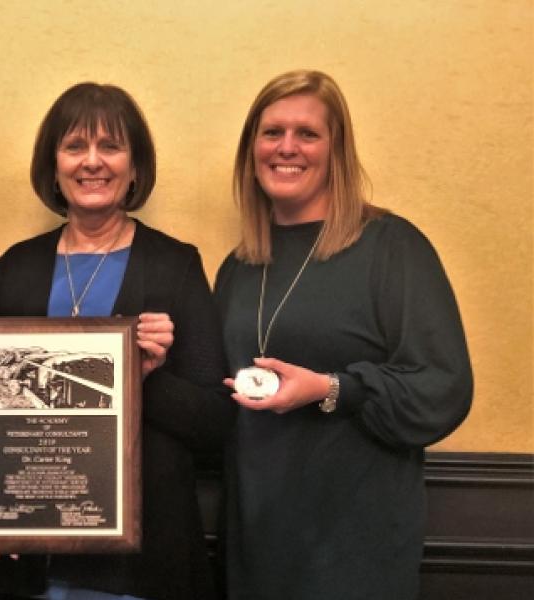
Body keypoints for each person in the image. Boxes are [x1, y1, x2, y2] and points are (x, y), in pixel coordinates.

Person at [0, 82, 234, 600]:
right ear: (54, 165)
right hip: (28, 561)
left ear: (135, 167)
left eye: (110, 146)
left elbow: (215, 423)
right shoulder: (15, 268)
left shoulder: (176, 266)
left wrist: (145, 378)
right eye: (74, 146)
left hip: (142, 562)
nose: (92, 162)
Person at [214, 69, 473, 599]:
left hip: (356, 546)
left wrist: (333, 389)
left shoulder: (391, 248)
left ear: (336, 150)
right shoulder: (238, 268)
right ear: (251, 150)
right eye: (272, 132)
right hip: (258, 540)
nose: (287, 148)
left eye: (307, 134)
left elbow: (443, 387)